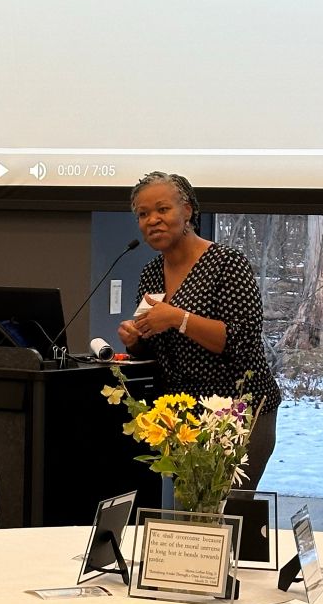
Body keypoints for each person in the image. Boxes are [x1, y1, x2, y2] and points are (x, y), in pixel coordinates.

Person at [118, 171, 281, 490]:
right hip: (183, 417)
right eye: (143, 214)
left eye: (162, 209)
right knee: (191, 512)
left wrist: (178, 318)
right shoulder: (151, 274)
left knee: (225, 510)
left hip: (239, 411)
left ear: (188, 210)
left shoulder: (227, 264)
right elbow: (156, 347)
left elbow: (241, 341)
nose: (153, 220)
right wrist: (135, 340)